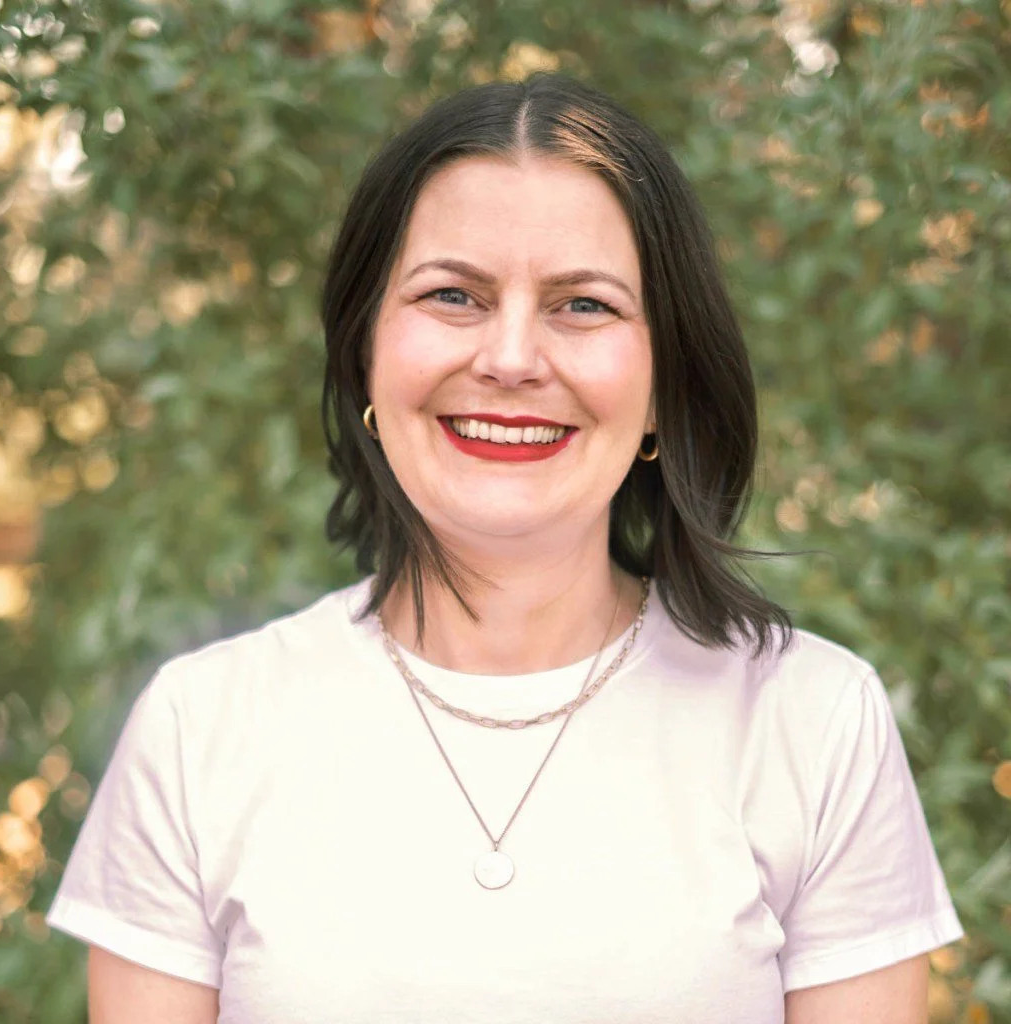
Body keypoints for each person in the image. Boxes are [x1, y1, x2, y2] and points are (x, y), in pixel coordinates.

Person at [46, 74, 963, 1023]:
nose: (513, 358)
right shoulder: (203, 731)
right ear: (365, 351)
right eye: (453, 295)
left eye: (583, 306)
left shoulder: (811, 723)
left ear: (662, 383)